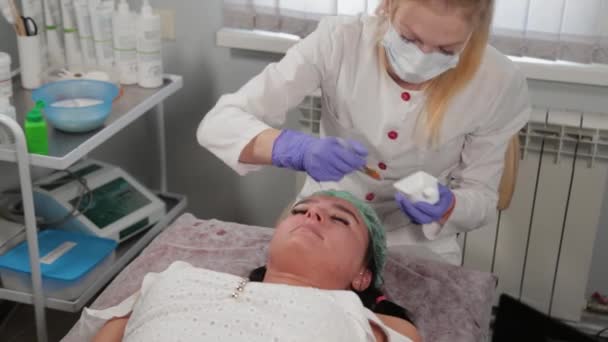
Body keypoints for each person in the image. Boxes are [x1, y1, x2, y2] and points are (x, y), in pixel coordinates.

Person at [197, 0, 532, 264]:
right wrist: (292, 148)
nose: (422, 58)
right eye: (408, 38)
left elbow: (484, 197)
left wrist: (447, 206)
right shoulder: (339, 41)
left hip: (415, 242)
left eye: (447, 49)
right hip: (325, 218)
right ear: (387, 6)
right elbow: (220, 123)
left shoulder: (497, 82)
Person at [88, 191, 421, 342]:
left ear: (363, 276)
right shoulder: (175, 276)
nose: (311, 215)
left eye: (339, 219)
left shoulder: (364, 320)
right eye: (300, 210)